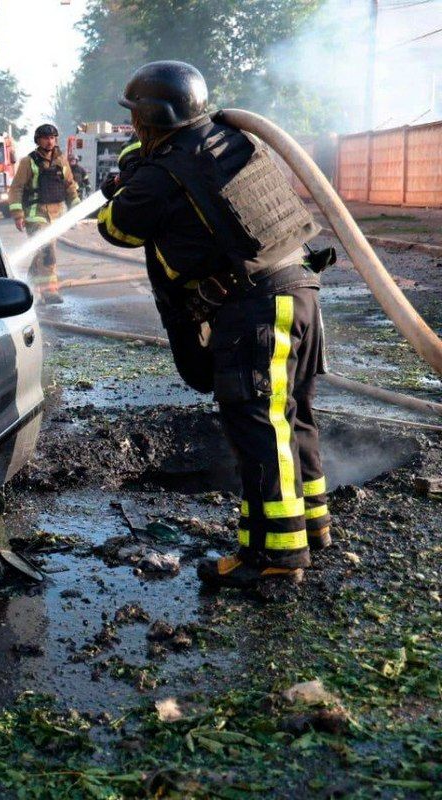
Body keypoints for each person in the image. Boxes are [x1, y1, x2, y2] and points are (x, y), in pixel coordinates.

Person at [96, 61, 333, 590]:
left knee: (259, 428)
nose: (133, 125)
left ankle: (276, 558)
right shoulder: (231, 140)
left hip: (256, 309)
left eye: (136, 117)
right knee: (292, 415)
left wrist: (128, 182)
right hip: (301, 290)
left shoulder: (160, 174)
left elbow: (117, 228)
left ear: (150, 119)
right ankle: (311, 525)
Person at [8, 123, 79, 304]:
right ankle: (49, 292)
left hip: (56, 215)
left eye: (52, 138)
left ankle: (31, 282)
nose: (50, 141)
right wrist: (18, 214)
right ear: (38, 140)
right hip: (35, 213)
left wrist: (76, 208)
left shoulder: (61, 161)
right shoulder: (28, 162)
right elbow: (16, 188)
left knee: (42, 252)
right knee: (47, 250)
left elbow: (70, 186)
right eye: (46, 138)